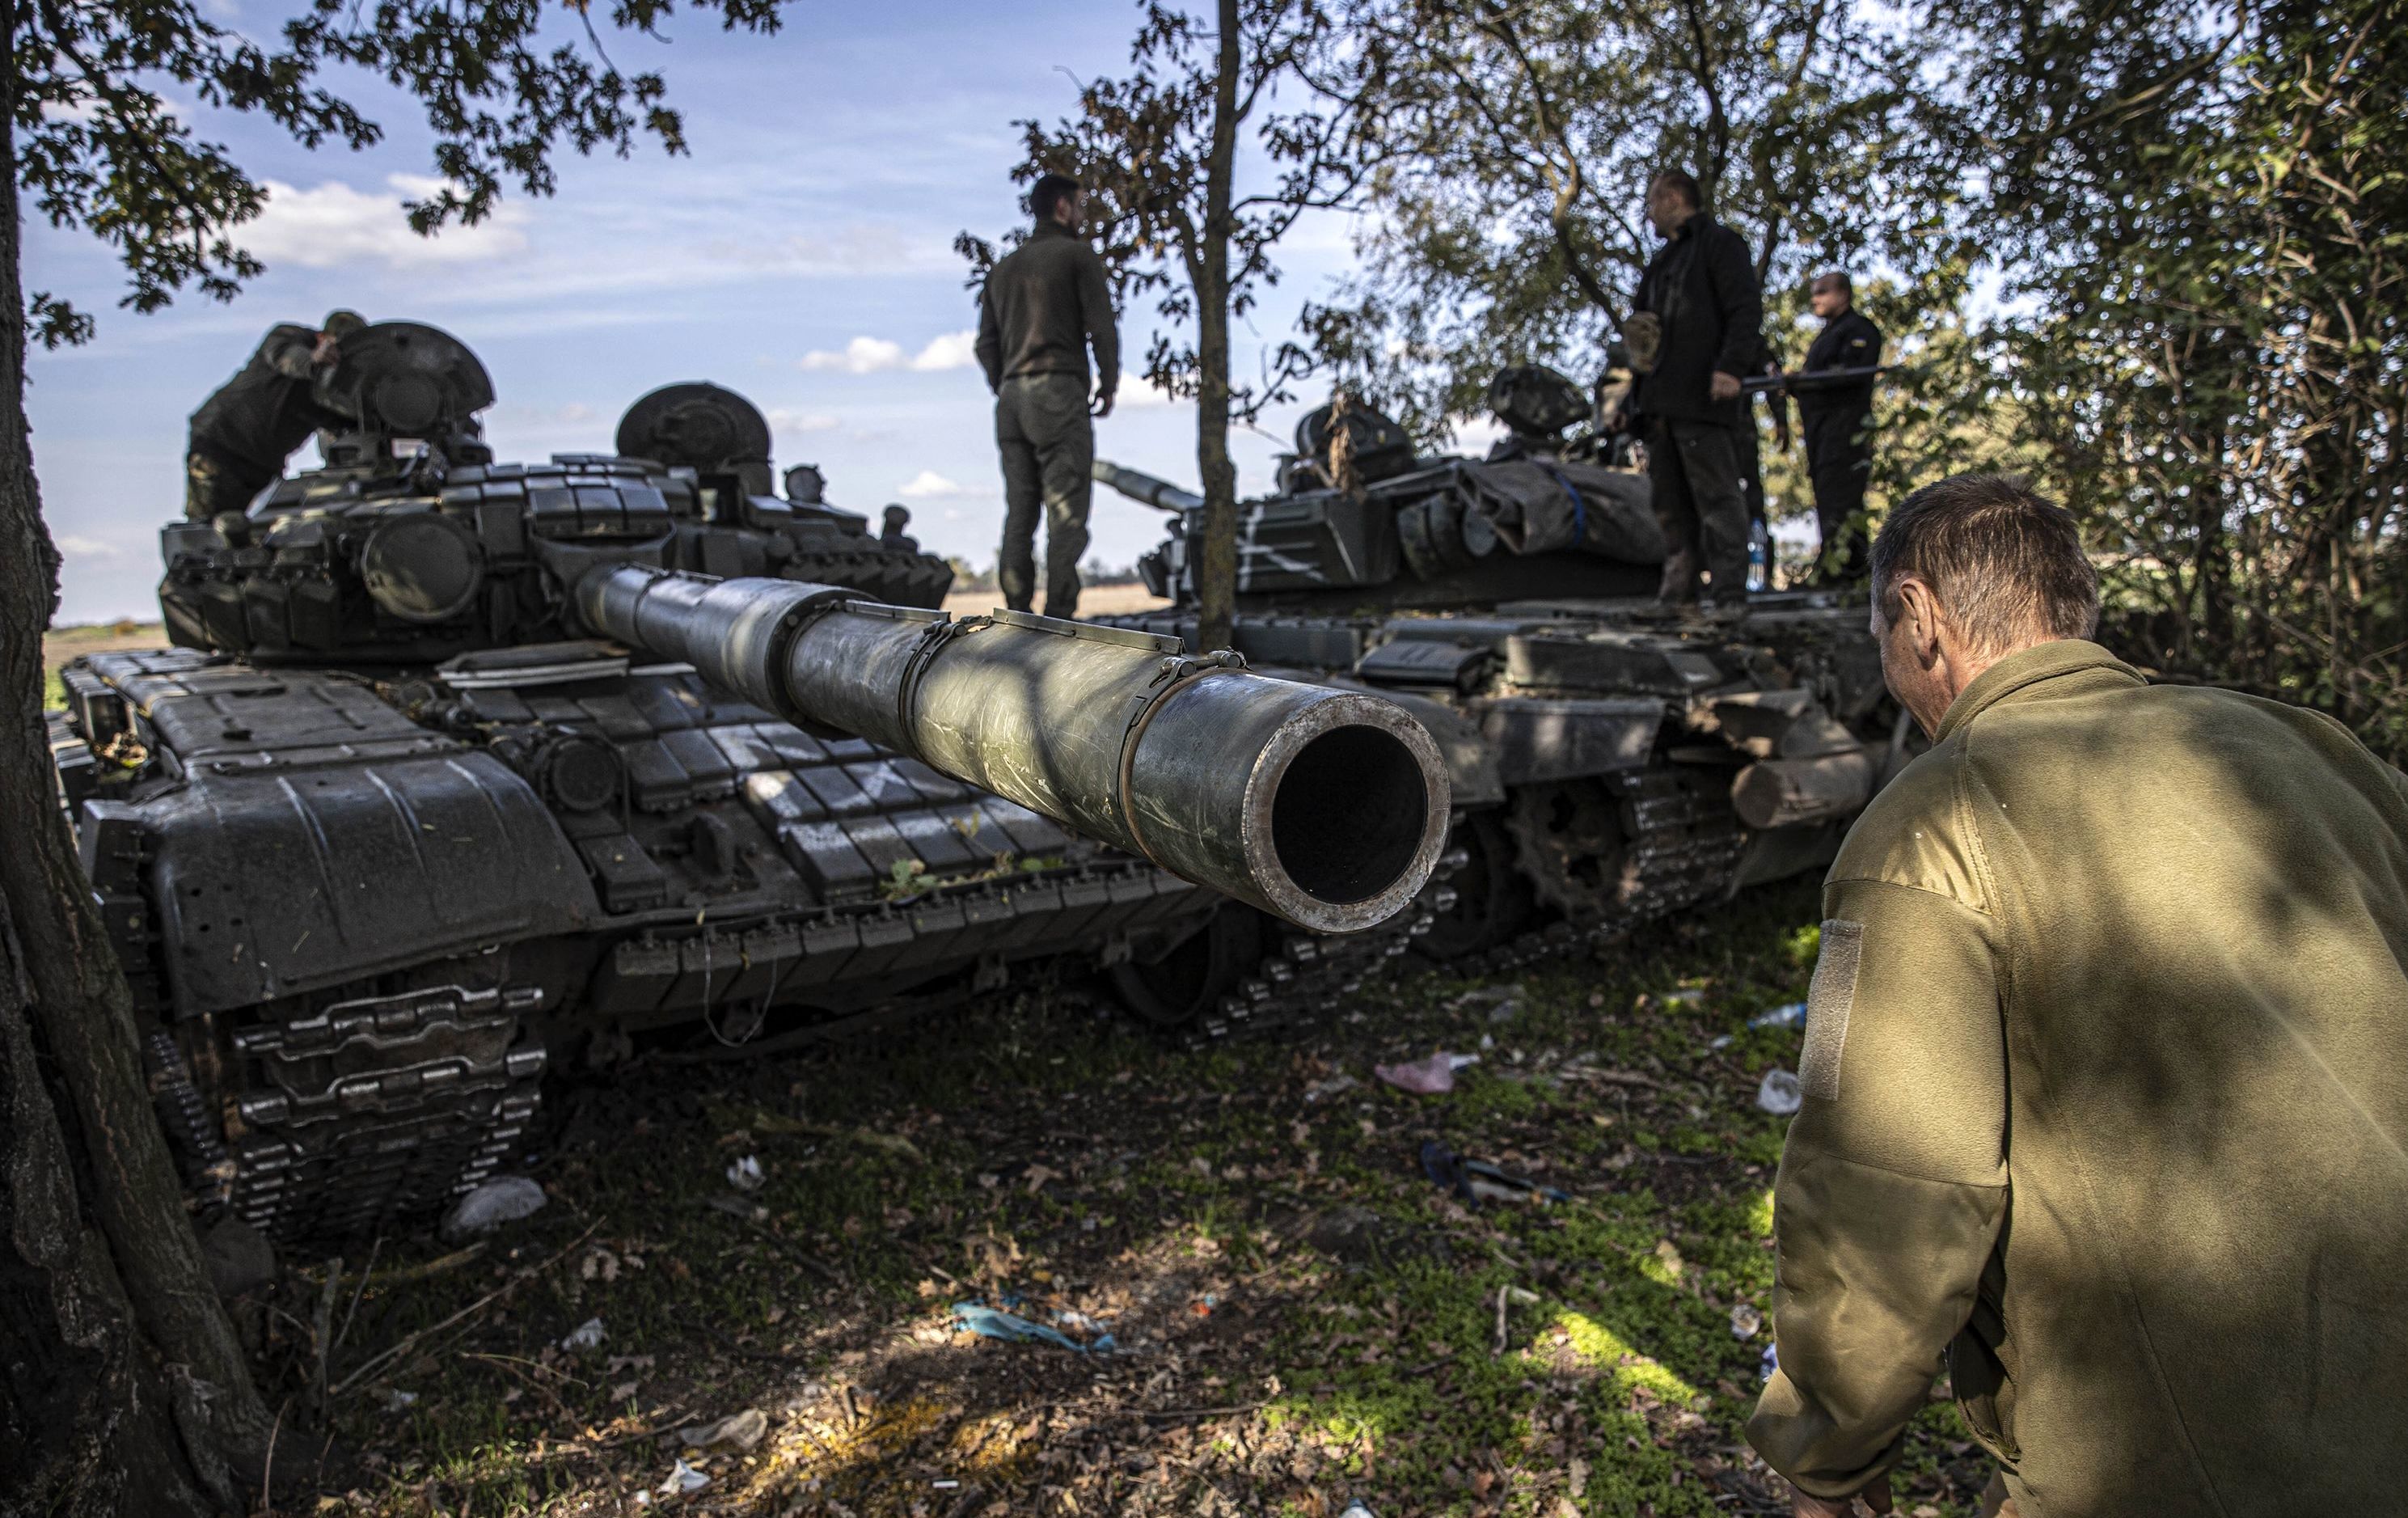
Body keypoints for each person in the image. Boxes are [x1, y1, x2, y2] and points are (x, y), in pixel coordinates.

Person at [1746, 473, 2408, 1518]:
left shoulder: (1928, 824)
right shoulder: (2322, 753)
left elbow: (1887, 1183)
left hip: (2190, 1463)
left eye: (1881, 634)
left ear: (1918, 619)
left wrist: (1823, 1454)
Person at [974, 171, 1120, 617]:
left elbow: (985, 344)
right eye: (1080, 205)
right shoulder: (1077, 256)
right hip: (1057, 390)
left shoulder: (1001, 270)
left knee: (1020, 511)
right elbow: (1101, 327)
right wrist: (1108, 382)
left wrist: (1006, 383)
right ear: (1062, 207)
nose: (1082, 214)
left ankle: (1015, 610)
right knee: (1066, 512)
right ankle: (1059, 618)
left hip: (1011, 401)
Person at [1626, 169, 1763, 612]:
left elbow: (1745, 311)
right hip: (1661, 404)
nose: (1649, 214)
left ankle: (1728, 594)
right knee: (1668, 503)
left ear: (1673, 198)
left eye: (1652, 203)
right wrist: (1631, 403)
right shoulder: (1661, 265)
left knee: (1718, 496)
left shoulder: (1722, 245)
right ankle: (1678, 593)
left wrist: (1730, 368)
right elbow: (1642, 342)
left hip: (1705, 399)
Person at [184, 310, 365, 520]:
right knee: (212, 531)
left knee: (255, 538)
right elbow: (287, 357)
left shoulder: (332, 387)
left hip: (262, 468)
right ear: (322, 337)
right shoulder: (289, 337)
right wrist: (314, 359)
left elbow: (344, 421)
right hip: (221, 446)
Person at [1796, 273, 1882, 581]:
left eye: (1822, 291)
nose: (1815, 298)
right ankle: (1839, 565)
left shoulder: (1858, 330)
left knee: (1843, 499)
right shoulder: (1826, 336)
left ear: (1843, 294)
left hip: (1845, 431)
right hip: (1821, 433)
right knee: (1827, 498)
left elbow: (1850, 375)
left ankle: (1847, 570)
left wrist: (1808, 382)